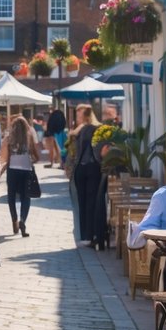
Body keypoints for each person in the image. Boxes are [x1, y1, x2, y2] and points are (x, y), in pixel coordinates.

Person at [70, 104, 103, 248]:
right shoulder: (96, 129)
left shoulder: (84, 130)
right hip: (92, 168)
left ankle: (86, 235)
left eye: (80, 115)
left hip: (84, 168)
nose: (78, 118)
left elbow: (75, 150)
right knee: (91, 202)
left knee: (84, 202)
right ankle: (89, 235)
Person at [1, 115, 40, 237]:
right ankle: (23, 220)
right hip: (26, 170)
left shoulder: (8, 139)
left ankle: (14, 220)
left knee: (11, 196)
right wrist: (31, 160)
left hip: (12, 170)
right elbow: (36, 156)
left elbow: (4, 157)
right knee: (25, 196)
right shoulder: (29, 138)